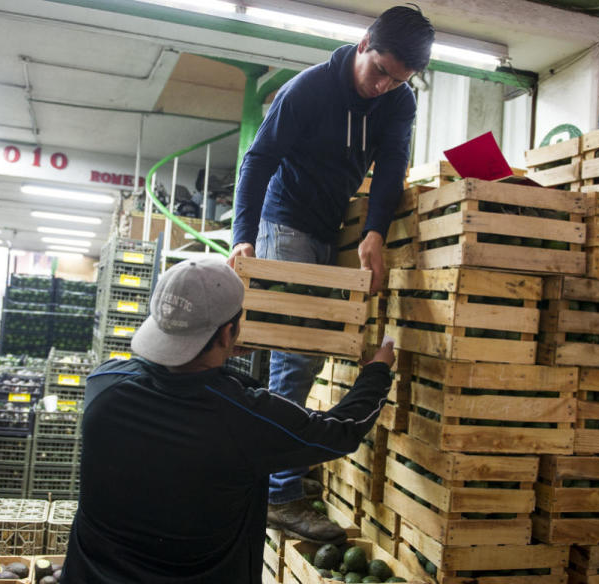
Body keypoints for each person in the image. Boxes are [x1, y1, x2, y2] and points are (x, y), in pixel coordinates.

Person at [227, 4, 434, 542]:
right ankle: (280, 495)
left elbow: (392, 166)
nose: (385, 86)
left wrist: (374, 232)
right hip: (285, 220)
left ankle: (264, 472)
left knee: (288, 354)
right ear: (364, 43)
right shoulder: (309, 90)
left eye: (399, 79)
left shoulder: (399, 101)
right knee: (300, 350)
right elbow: (258, 159)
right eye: (381, 71)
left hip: (332, 225)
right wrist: (243, 236)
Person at [62, 258, 394, 583]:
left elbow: (163, 377)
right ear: (228, 332)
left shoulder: (102, 385)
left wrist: (215, 353)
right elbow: (339, 432)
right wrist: (377, 370)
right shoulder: (244, 419)